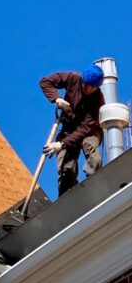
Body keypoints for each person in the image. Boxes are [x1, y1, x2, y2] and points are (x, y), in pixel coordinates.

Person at [39, 64, 105, 196]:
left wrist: (61, 144)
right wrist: (57, 98)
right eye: (85, 84)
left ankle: (94, 187)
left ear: (97, 87)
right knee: (65, 168)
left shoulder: (98, 100)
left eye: (91, 87)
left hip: (89, 131)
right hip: (69, 128)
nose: (86, 89)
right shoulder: (73, 78)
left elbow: (85, 128)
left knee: (93, 154)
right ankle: (68, 196)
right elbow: (45, 82)